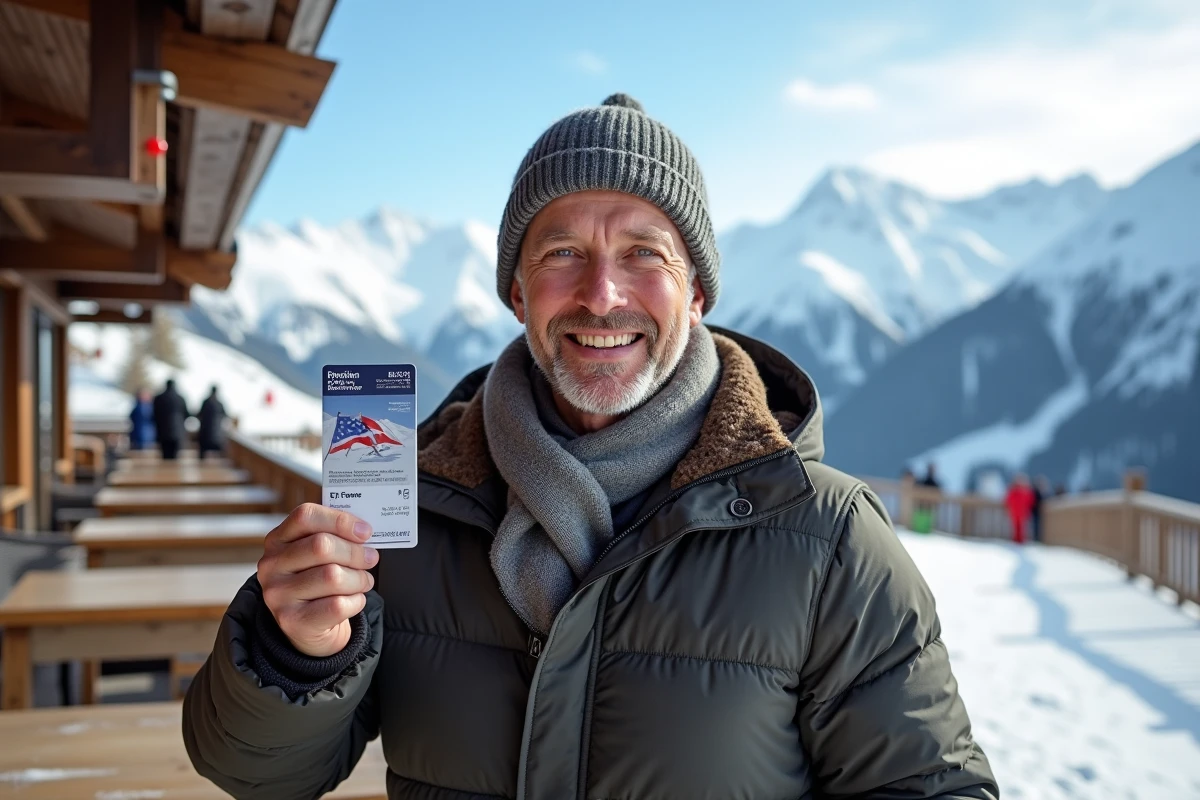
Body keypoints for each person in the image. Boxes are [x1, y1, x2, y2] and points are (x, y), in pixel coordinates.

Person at [184, 93, 997, 799]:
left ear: (697, 291)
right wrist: (296, 654)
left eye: (644, 253)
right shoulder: (409, 512)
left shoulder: (828, 539)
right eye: (562, 253)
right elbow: (258, 774)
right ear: (517, 293)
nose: (601, 295)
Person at [152, 378, 190, 460]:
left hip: (163, 431)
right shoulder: (180, 398)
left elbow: (154, 414)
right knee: (175, 456)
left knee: (165, 455)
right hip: (178, 431)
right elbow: (187, 414)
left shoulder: (159, 398)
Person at [197, 385, 227, 458]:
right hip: (217, 435)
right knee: (218, 456)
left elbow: (199, 414)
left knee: (202, 455)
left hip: (205, 434)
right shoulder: (219, 404)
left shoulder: (206, 402)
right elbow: (225, 415)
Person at [1006, 474, 1037, 545]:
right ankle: (1018, 540)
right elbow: (1030, 501)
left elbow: (1030, 501)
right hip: (1019, 511)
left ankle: (1019, 540)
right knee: (1019, 527)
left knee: (1019, 527)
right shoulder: (1023, 491)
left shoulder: (1016, 491)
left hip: (1018, 511)